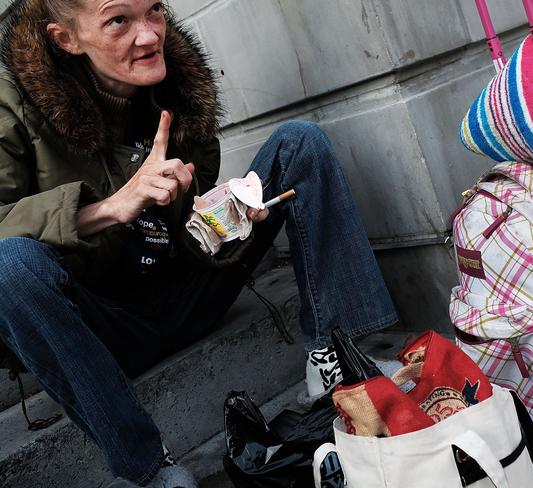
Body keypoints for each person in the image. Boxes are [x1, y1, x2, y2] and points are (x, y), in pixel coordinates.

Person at [0, 0, 398, 486]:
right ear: (66, 38)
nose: (148, 36)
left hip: (186, 291)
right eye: (118, 20)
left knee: (299, 143)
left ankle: (338, 358)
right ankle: (148, 470)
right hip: (99, 330)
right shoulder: (13, 104)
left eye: (153, 11)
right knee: (8, 265)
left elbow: (189, 232)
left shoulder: (178, 92)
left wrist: (226, 219)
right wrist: (109, 208)